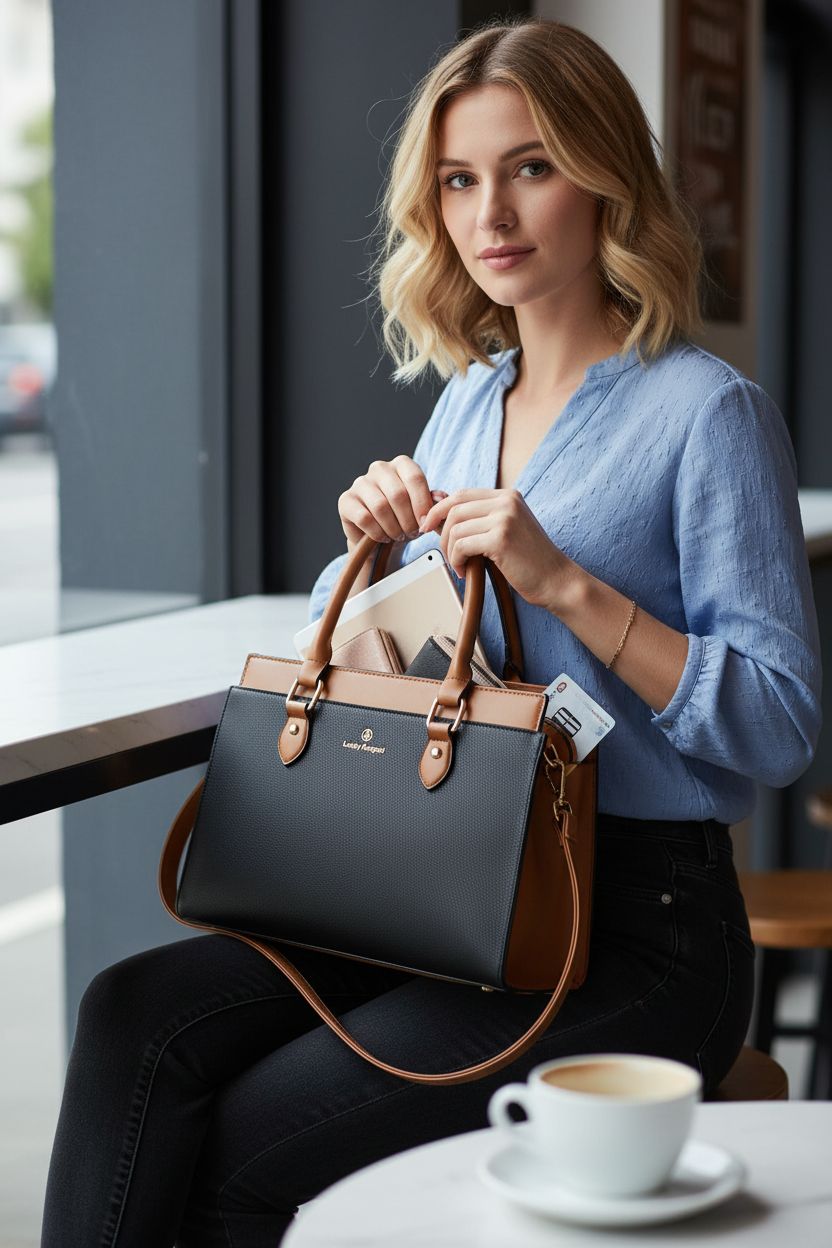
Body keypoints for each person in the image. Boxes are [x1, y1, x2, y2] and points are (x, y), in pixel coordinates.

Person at [42, 17, 821, 1247]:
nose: (488, 214)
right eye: (460, 180)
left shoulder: (707, 412)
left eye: (530, 166)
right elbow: (382, 662)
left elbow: (778, 729)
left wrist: (564, 583)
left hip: (633, 930)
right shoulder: (469, 398)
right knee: (134, 1017)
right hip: (441, 885)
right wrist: (360, 555)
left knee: (247, 1142)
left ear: (605, 174)